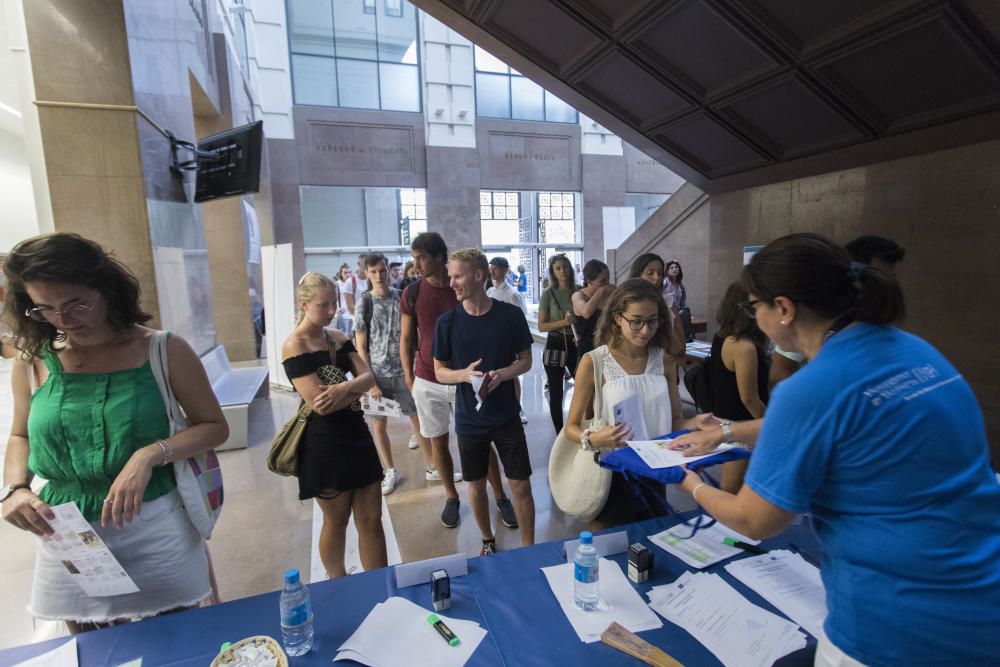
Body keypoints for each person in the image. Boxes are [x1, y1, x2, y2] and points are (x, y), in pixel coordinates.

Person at [673, 233, 1000, 666]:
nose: (756, 318)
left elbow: (754, 520)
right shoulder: (918, 353)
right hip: (981, 603)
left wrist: (689, 481)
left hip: (893, 629)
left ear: (784, 309)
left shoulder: (811, 387)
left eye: (756, 306)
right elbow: (839, 422)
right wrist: (728, 433)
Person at [1, 233, 228, 632]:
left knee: (179, 639)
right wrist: (15, 489)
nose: (64, 319)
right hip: (66, 528)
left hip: (153, 525)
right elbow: (20, 435)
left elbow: (213, 427)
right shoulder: (33, 361)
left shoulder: (162, 350)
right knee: (90, 647)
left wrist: (149, 454)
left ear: (105, 288)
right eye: (45, 309)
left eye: (76, 303)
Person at [563, 279, 713, 525]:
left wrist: (695, 422)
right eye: (636, 321)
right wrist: (594, 438)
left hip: (655, 470)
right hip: (612, 474)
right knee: (614, 547)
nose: (645, 330)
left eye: (652, 321)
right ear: (616, 318)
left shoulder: (662, 360)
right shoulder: (595, 362)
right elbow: (571, 428)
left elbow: (674, 422)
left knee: (653, 544)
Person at [400, 233, 515, 530]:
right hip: (429, 377)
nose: (416, 264)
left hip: (469, 379)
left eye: (421, 258)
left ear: (439, 257)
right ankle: (451, 496)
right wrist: (409, 378)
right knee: (438, 441)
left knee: (482, 440)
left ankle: (500, 496)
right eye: (414, 258)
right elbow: (406, 337)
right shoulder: (412, 293)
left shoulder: (463, 287)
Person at [281, 272, 387, 578]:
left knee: (371, 519)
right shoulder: (294, 345)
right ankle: (338, 581)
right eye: (323, 305)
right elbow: (319, 405)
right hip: (324, 443)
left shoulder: (338, 338)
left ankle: (379, 582)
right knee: (336, 520)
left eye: (334, 303)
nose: (331, 311)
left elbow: (369, 378)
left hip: (357, 435)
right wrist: (354, 388)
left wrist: (342, 389)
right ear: (304, 304)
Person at [434, 249, 535, 555]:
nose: (452, 283)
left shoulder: (510, 315)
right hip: (469, 419)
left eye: (458, 276)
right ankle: (487, 541)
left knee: (520, 484)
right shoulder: (447, 322)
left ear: (478, 276)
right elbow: (440, 371)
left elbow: (526, 360)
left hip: (506, 415)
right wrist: (464, 375)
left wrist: (503, 374)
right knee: (475, 485)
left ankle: (529, 548)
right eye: (451, 276)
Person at [354, 253, 432, 495]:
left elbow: (412, 335)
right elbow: (360, 345)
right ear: (367, 273)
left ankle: (432, 465)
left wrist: (415, 365)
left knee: (417, 418)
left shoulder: (400, 298)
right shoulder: (364, 302)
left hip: (403, 370)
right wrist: (370, 381)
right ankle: (389, 470)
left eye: (382, 270)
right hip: (377, 374)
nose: (379, 276)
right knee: (379, 424)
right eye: (374, 271)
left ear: (389, 271)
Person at [706, 282, 769, 492]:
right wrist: (768, 423)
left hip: (726, 418)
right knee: (732, 488)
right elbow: (749, 397)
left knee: (736, 485)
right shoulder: (744, 346)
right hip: (742, 423)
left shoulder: (723, 336)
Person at [537, 254, 578, 433]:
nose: (563, 271)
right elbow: (541, 326)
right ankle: (559, 430)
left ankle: (581, 424)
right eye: (558, 268)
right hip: (555, 342)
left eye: (565, 267)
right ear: (553, 272)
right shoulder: (548, 293)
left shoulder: (579, 291)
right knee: (556, 389)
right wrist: (564, 322)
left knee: (585, 384)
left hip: (576, 343)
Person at [486, 256, 528, 424]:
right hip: (492, 339)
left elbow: (520, 318)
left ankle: (518, 407)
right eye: (491, 267)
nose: (492, 271)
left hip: (508, 340)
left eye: (495, 268)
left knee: (512, 375)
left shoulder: (512, 294)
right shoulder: (489, 291)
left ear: (504, 270)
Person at [630, 253, 685, 361]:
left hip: (667, 360)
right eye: (650, 273)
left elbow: (680, 340)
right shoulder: (629, 302)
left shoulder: (668, 301)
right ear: (637, 274)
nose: (656, 278)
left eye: (660, 273)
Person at [571, 259, 614, 357]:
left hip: (608, 347)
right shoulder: (578, 295)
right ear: (589, 281)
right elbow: (586, 312)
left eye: (608, 279)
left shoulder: (611, 294)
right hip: (588, 350)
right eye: (602, 281)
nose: (607, 283)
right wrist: (601, 291)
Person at [663, 260, 693, 342]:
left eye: (676, 267)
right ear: (667, 271)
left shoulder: (679, 283)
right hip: (667, 311)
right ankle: (684, 337)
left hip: (678, 309)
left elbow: (682, 299)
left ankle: (686, 337)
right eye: (671, 268)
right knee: (684, 313)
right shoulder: (665, 282)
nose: (674, 269)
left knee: (686, 310)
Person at [343, 254, 370, 322]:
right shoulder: (350, 282)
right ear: (358, 264)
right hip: (358, 320)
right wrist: (362, 319)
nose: (367, 266)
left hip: (371, 319)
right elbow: (350, 307)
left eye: (369, 263)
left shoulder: (372, 280)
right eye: (365, 263)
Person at [333, 263, 354, 336]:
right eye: (345, 272)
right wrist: (337, 309)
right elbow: (334, 298)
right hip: (343, 314)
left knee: (352, 336)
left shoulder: (353, 283)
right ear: (341, 273)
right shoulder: (337, 284)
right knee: (343, 336)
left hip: (352, 314)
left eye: (349, 272)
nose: (348, 274)